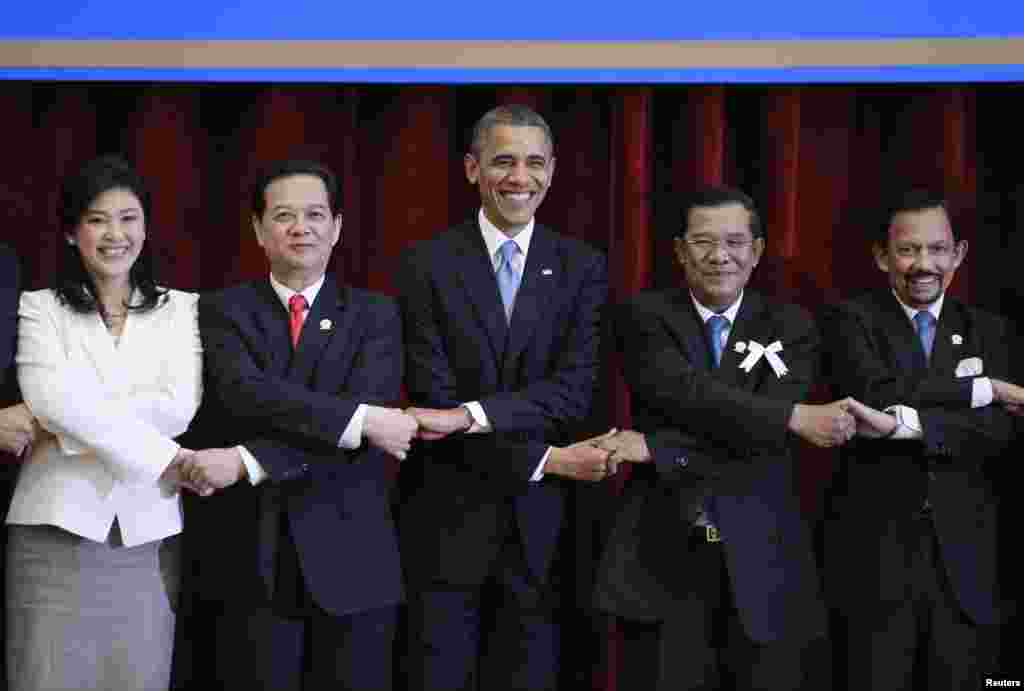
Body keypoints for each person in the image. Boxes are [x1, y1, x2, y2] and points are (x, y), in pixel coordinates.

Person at [592, 186, 852, 690]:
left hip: (765, 560)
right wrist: (792, 416)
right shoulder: (643, 317)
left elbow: (760, 440)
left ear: (756, 251)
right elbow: (683, 395)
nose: (719, 256)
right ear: (679, 251)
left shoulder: (792, 324)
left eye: (735, 241)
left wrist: (657, 448)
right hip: (663, 554)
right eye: (703, 242)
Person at [396, 104, 611, 691]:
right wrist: (549, 457)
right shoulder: (424, 264)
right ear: (472, 168)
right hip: (446, 523)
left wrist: (472, 415)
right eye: (503, 161)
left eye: (535, 162)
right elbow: (429, 399)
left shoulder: (582, 267)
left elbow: (572, 393)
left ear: (553, 171)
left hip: (543, 531)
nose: (521, 177)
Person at [181, 159, 415, 691]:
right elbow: (246, 395)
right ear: (259, 230)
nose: (300, 227)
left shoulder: (375, 315)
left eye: (314, 215)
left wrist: (245, 461)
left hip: (352, 562)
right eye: (283, 215)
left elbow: (360, 426)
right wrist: (358, 420)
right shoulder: (221, 310)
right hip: (249, 562)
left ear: (336, 227)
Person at [4, 156, 203, 691]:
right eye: (96, 220)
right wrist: (165, 454)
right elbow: (50, 398)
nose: (114, 234)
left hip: (146, 531)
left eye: (128, 217)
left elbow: (178, 407)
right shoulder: (39, 307)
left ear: (146, 226)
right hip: (53, 530)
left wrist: (65, 420)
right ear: (72, 233)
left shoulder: (181, 308)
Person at [822, 189, 1020, 690]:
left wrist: (907, 426)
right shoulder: (850, 323)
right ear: (882, 255)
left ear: (958, 255)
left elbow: (1003, 431)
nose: (923, 264)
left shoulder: (993, 332)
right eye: (908, 250)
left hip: (972, 571)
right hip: (875, 570)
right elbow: (877, 390)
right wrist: (985, 389)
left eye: (937, 249)